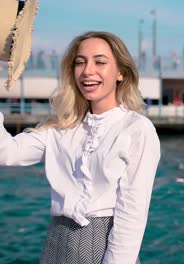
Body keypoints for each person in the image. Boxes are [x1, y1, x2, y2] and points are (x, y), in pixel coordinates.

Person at [0, 31, 161, 263]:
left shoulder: (137, 129)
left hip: (104, 249)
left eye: (100, 62)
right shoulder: (60, 127)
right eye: (80, 62)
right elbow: (6, 153)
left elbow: (132, 215)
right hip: (55, 245)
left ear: (120, 73)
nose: (87, 71)